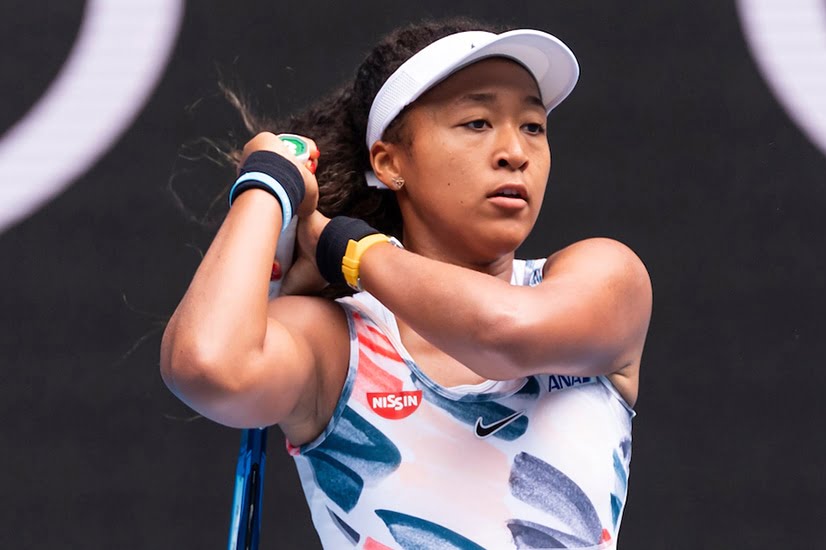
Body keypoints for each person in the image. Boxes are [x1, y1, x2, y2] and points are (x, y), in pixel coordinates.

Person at [161, 17, 652, 550]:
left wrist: (344, 247)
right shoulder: (336, 342)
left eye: (533, 126)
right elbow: (205, 366)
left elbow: (503, 334)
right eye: (477, 123)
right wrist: (266, 184)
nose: (516, 150)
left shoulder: (605, 277)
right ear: (390, 162)